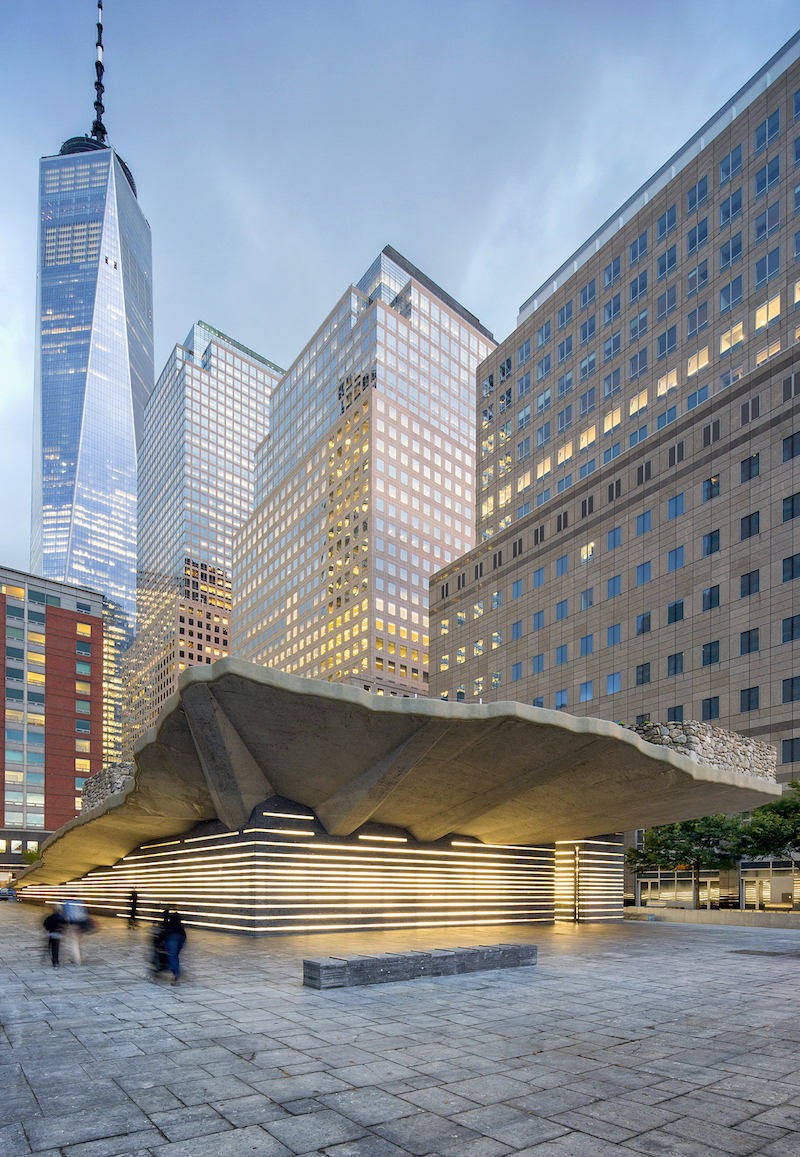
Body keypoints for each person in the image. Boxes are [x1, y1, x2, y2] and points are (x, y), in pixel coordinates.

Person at [161, 907, 187, 986]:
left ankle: (176, 977)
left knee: (172, 956)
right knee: (175, 956)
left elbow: (164, 928)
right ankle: (176, 971)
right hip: (182, 936)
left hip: (172, 937)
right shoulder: (177, 921)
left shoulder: (168, 923)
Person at [61, 897, 89, 964]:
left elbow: (65, 915)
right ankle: (80, 955)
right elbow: (85, 913)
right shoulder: (80, 902)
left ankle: (77, 959)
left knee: (74, 942)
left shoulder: (66, 903)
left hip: (73, 924)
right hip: (81, 923)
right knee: (79, 941)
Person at [43, 904, 64, 968]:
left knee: (51, 947)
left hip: (51, 934)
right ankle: (55, 961)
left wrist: (49, 929)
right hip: (57, 935)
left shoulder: (50, 917)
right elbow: (64, 925)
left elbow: (45, 924)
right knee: (56, 948)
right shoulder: (60, 918)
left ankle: (50, 957)